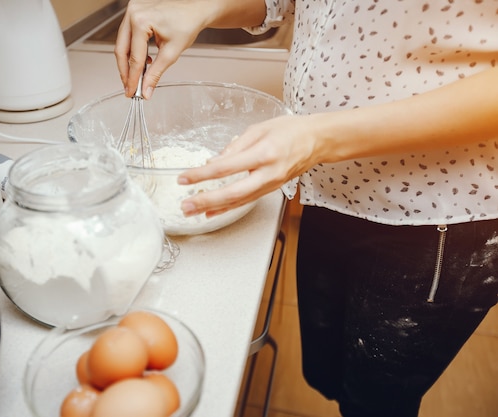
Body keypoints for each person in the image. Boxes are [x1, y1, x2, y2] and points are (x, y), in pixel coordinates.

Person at [115, 1, 498, 416]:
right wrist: (208, 7)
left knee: (378, 399)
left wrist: (319, 138)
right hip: (330, 184)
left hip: (433, 213)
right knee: (333, 370)